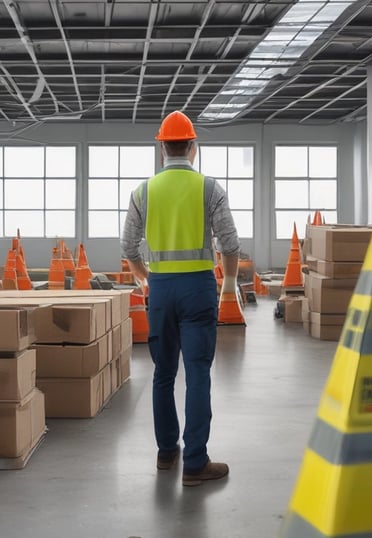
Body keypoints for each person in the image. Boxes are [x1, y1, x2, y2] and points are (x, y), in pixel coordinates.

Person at [121, 110, 241, 487]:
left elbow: (127, 245)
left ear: (162, 149)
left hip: (161, 290)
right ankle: (195, 463)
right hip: (198, 289)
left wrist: (146, 278)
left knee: (163, 374)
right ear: (193, 147)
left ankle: (166, 452)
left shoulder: (143, 192)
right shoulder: (209, 188)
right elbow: (230, 243)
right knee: (198, 373)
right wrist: (229, 282)